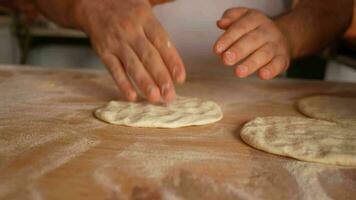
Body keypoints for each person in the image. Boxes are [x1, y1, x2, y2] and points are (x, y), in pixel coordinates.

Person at [2, 0, 353, 103]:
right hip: (102, 91)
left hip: (253, 100)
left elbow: (336, 6)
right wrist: (86, 6)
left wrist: (287, 36)